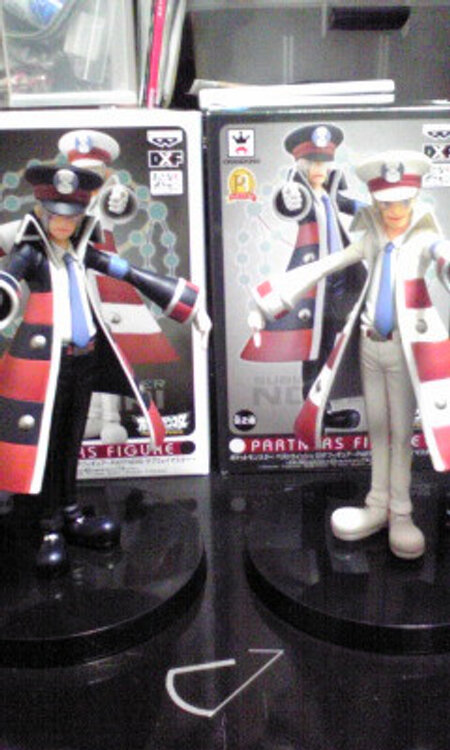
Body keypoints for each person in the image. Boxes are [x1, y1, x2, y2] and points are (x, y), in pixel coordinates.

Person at [0, 163, 210, 575]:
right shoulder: (32, 253)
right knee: (45, 446)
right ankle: (46, 525)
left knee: (71, 440)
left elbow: (129, 272)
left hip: (85, 359)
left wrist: (189, 306)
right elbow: (8, 278)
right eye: (55, 214)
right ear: (40, 211)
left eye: (72, 215)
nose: (64, 223)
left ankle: (70, 511)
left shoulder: (82, 252)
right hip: (45, 367)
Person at [248, 150, 450, 560]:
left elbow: (442, 256)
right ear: (374, 201)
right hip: (368, 347)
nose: (395, 211)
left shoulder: (425, 239)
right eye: (386, 203)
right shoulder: (373, 239)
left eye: (403, 201)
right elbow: (326, 264)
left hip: (405, 351)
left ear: (415, 198)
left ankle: (401, 512)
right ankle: (376, 505)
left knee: (400, 433)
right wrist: (268, 301)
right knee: (378, 429)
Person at [242, 123, 364, 429]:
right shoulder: (300, 192)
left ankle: (332, 402)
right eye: (312, 163)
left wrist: (383, 210)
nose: (319, 169)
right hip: (314, 282)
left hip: (343, 279)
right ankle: (315, 409)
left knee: (345, 341)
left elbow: (352, 206)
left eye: (324, 163)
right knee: (315, 347)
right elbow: (288, 202)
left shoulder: (330, 193)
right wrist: (290, 195)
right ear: (300, 164)